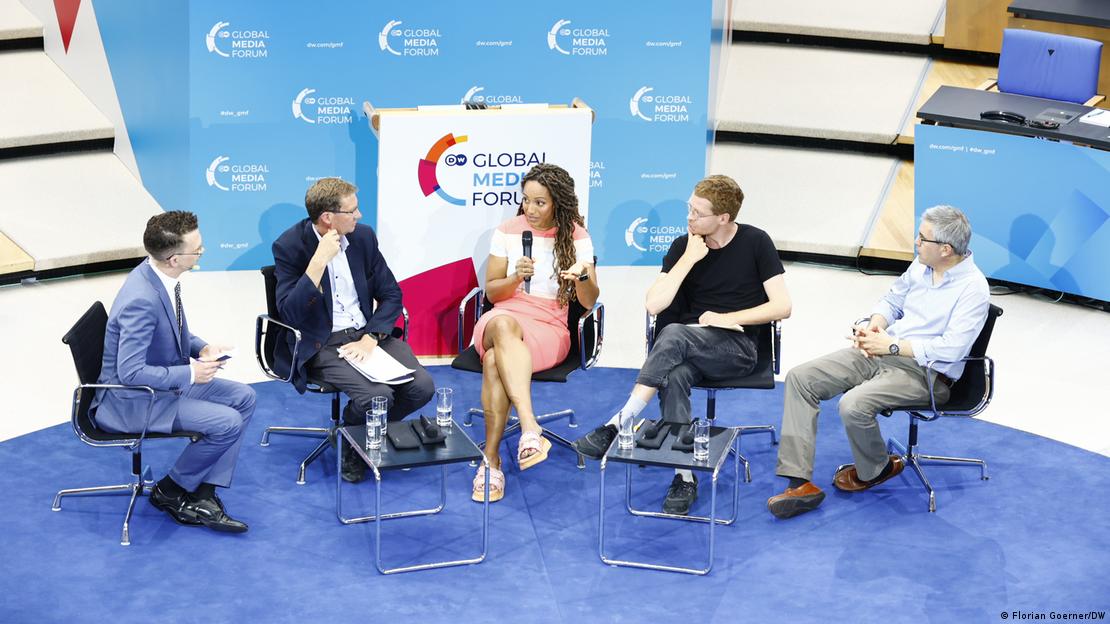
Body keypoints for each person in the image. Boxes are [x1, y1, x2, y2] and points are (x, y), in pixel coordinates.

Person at [574, 174, 791, 515]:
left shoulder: (755, 242)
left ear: (723, 218)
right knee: (673, 375)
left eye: (698, 213)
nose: (689, 217)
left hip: (737, 348)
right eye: (689, 208)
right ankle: (684, 476)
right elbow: (653, 304)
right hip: (688, 345)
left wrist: (726, 316)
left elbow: (783, 306)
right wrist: (689, 259)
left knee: (673, 333)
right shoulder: (683, 246)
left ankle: (620, 422)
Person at [767, 205, 990, 519]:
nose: (915, 242)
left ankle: (877, 468)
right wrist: (875, 324)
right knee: (802, 378)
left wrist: (893, 346)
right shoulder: (922, 265)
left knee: (853, 404)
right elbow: (893, 299)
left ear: (945, 249)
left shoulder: (973, 289)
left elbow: (951, 349)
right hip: (885, 350)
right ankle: (798, 482)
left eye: (922, 238)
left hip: (927, 374)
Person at [93, 211, 254, 533]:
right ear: (174, 258)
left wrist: (201, 349)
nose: (203, 252)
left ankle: (203, 491)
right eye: (198, 249)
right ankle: (172, 490)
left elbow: (173, 331)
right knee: (227, 422)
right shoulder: (141, 300)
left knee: (244, 397)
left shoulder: (158, 276)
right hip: (133, 401)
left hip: (161, 382)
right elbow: (130, 372)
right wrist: (192, 373)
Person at [271, 177, 434, 483]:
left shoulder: (363, 238)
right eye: (352, 210)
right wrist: (317, 263)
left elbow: (391, 294)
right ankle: (357, 441)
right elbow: (290, 312)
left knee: (422, 387)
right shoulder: (289, 246)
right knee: (378, 397)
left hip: (368, 335)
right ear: (328, 218)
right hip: (322, 342)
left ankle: (352, 435)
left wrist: (372, 336)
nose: (359, 216)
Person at [470, 163, 599, 502]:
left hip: (549, 328)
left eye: (540, 202)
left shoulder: (577, 236)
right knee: (502, 323)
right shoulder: (508, 230)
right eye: (526, 200)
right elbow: (493, 294)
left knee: (496, 360)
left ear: (558, 202)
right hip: (503, 316)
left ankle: (491, 461)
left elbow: (588, 302)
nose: (530, 209)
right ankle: (529, 426)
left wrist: (580, 277)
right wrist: (514, 278)